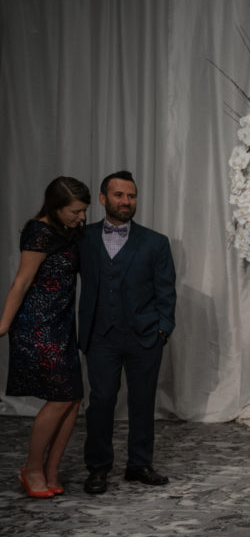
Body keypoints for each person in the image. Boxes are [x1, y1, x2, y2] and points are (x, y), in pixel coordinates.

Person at [78, 171, 176, 495]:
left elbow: (166, 291)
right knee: (101, 402)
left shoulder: (155, 242)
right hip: (100, 336)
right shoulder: (84, 238)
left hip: (145, 336)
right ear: (104, 199)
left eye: (131, 196)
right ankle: (98, 467)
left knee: (142, 402)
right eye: (119, 195)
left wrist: (163, 329)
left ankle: (139, 464)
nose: (126, 201)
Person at [1, 177, 89, 498]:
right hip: (37, 324)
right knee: (62, 397)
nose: (81, 217)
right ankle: (32, 468)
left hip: (62, 324)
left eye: (84, 211)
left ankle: (52, 470)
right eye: (75, 211)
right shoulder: (38, 232)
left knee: (74, 398)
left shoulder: (69, 230)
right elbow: (21, 282)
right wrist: (3, 325)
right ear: (55, 207)